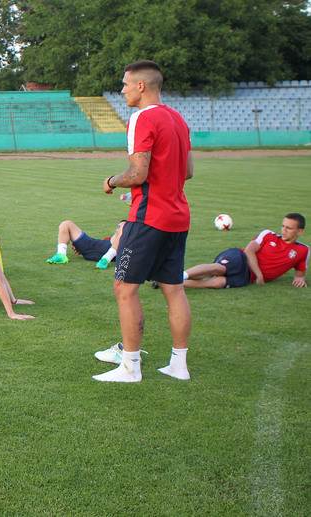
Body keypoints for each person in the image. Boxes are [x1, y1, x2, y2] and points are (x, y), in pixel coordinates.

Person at [93, 60, 193, 383]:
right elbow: (188, 171)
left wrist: (110, 180)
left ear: (141, 86)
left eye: (125, 84)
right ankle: (179, 365)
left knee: (124, 289)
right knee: (174, 290)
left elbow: (138, 173)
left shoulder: (141, 118)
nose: (121, 90)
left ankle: (130, 366)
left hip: (149, 217)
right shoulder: (178, 119)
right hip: (178, 217)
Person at [180, 213, 307, 289]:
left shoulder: (303, 250)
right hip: (240, 258)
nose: (283, 230)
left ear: (300, 231)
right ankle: (178, 276)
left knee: (218, 282)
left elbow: (299, 273)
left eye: (289, 228)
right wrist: (259, 275)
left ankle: (175, 284)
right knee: (219, 269)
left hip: (247, 277)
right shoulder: (268, 235)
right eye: (283, 226)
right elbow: (249, 251)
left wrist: (300, 278)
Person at [45, 220, 125, 270]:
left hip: (110, 252)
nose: (117, 229)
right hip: (91, 247)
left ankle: (106, 259)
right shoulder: (112, 238)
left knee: (125, 225)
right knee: (66, 224)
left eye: (119, 227)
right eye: (117, 227)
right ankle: (61, 255)